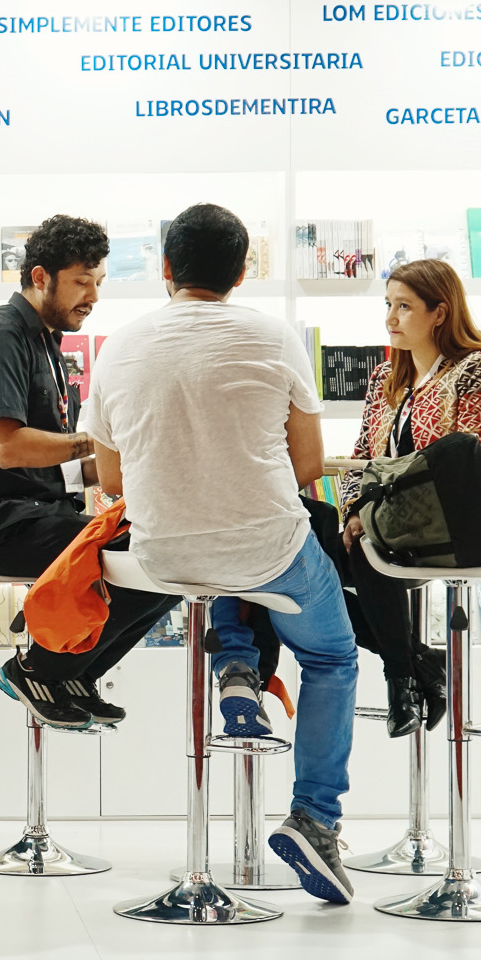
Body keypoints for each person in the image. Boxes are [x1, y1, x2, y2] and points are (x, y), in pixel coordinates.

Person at [83, 203, 360, 904]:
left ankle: (234, 663)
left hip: (163, 555)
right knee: (331, 657)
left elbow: (111, 479)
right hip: (268, 550)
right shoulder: (275, 337)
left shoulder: (118, 346)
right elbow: (306, 467)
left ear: (165, 267)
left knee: (218, 558)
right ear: (242, 273)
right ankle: (315, 817)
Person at [0, 215, 180, 729]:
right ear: (40, 277)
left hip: (38, 512)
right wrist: (103, 439)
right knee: (150, 554)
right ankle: (35, 670)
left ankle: (73, 675)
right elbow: (8, 448)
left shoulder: (46, 342)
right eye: (81, 281)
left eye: (99, 282)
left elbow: (63, 463)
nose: (93, 296)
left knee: (171, 552)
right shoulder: (1, 337)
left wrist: (148, 462)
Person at [338, 259, 481, 737]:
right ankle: (416, 662)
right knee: (304, 550)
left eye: (404, 306)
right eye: (388, 305)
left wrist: (371, 512)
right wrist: (355, 510)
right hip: (393, 522)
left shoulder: (480, 369)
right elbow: (360, 460)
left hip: (470, 519)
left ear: (439, 313)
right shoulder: (386, 378)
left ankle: (403, 677)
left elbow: (472, 470)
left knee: (367, 547)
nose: (390, 318)